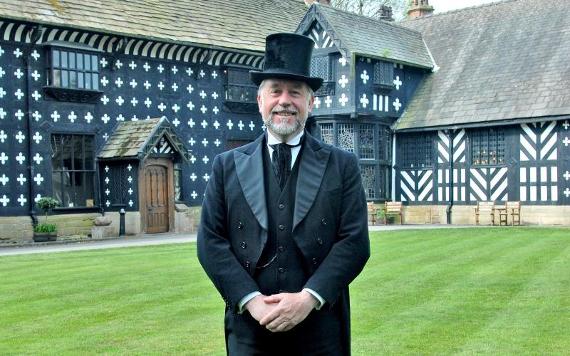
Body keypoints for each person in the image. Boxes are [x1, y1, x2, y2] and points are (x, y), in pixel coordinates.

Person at [197, 33, 370, 356]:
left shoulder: (342, 165)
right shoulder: (226, 166)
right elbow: (210, 242)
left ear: (311, 102)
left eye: (295, 92)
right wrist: (252, 301)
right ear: (260, 100)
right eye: (275, 91)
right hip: (251, 328)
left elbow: (355, 242)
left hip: (320, 327)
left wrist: (308, 298)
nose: (285, 100)